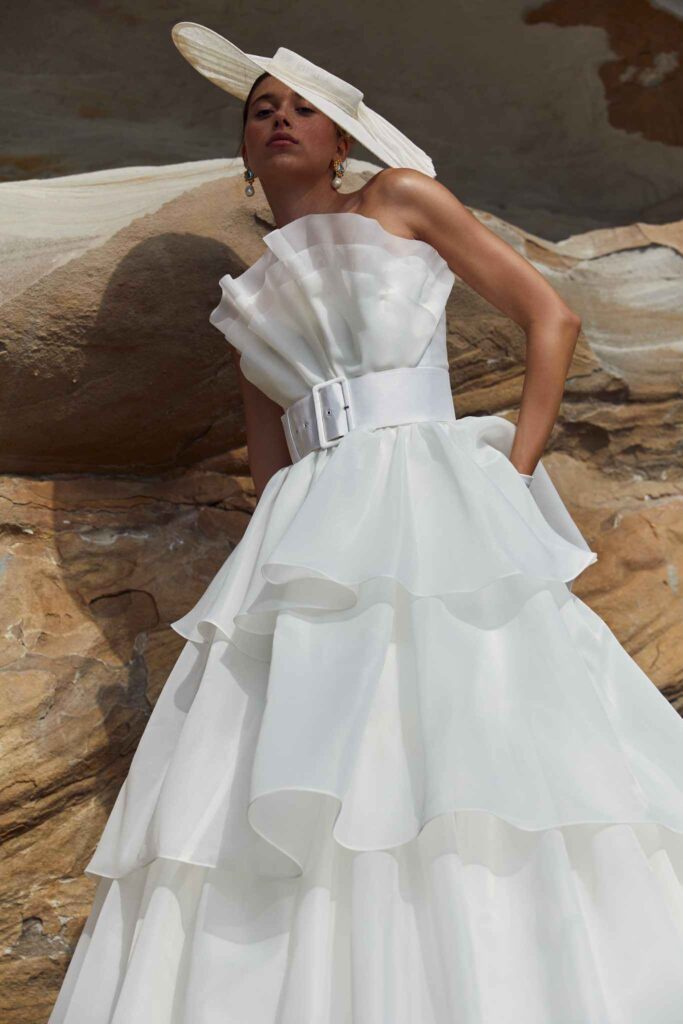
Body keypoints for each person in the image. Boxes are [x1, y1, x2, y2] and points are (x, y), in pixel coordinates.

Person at [48, 23, 683, 1024]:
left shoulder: (399, 199)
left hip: (431, 490)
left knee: (469, 725)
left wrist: (511, 463)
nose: (279, 118)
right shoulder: (247, 295)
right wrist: (284, 551)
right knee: (301, 752)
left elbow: (547, 317)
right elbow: (269, 460)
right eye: (260, 110)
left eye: (301, 106)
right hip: (311, 524)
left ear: (342, 138)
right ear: (246, 150)